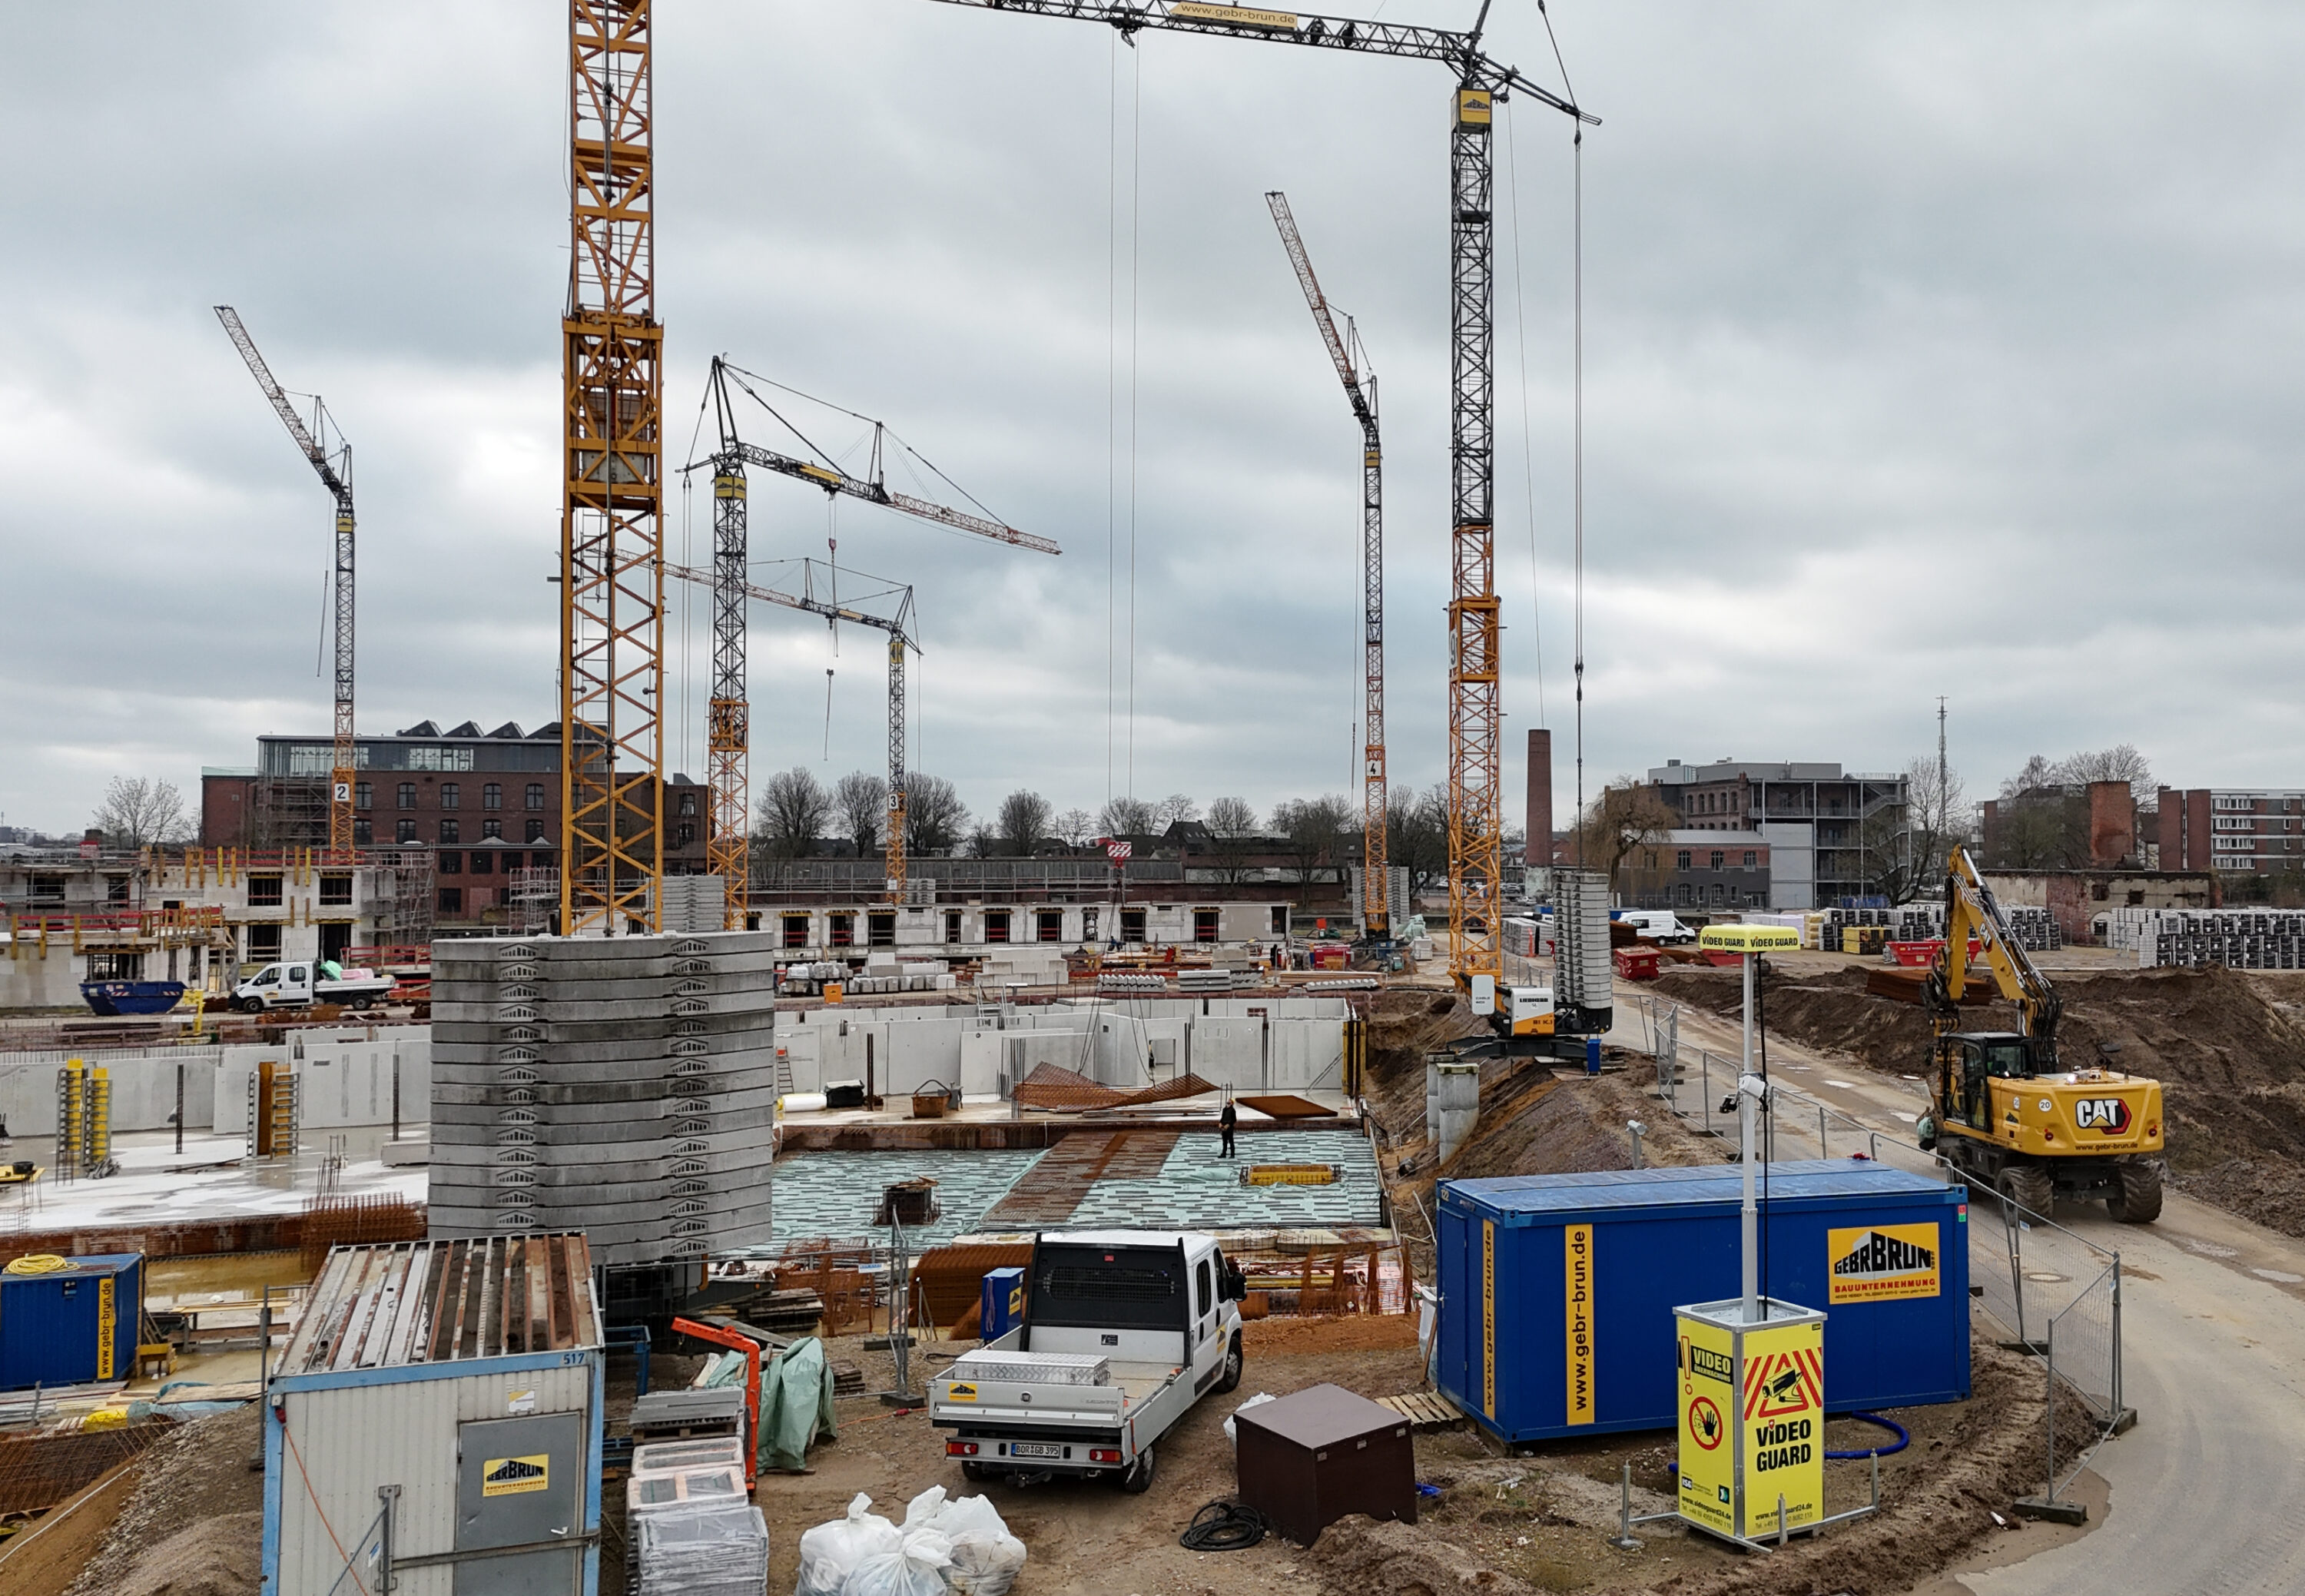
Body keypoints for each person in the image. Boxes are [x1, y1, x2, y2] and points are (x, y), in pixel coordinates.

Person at [1219, 1096, 1238, 1160]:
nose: (1228, 1102)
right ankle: (1224, 1153)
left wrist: (1229, 1124)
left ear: (1232, 1103)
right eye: (1228, 1101)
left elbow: (1234, 1120)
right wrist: (1220, 1123)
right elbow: (1222, 1118)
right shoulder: (1224, 1109)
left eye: (1230, 1101)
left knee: (1231, 1141)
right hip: (1224, 1127)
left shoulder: (1233, 1110)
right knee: (1224, 1142)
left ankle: (1232, 1154)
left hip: (1229, 1128)